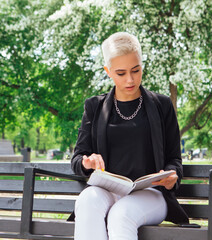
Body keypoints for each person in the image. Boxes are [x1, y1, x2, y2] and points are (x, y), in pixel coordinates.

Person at [69, 32, 189, 240]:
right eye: (121, 73)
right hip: (108, 191)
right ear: (108, 71)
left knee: (121, 214)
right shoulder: (94, 107)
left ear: (142, 64)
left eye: (136, 70)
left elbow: (174, 160)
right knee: (87, 201)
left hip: (151, 195)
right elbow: (78, 158)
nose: (130, 79)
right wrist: (87, 162)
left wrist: (170, 177)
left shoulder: (162, 106)